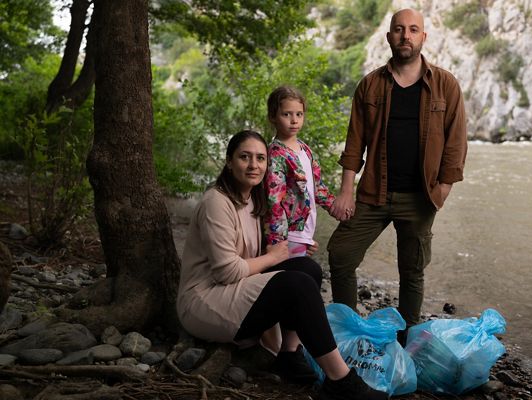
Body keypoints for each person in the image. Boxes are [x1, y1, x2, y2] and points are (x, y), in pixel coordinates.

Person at [177, 130, 388, 400]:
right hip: (205, 299)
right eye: (244, 157)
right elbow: (226, 271)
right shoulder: (216, 203)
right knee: (295, 285)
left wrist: (295, 248)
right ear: (229, 161)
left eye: (260, 158)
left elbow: (265, 246)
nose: (254, 165)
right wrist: (275, 257)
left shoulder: (254, 198)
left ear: (267, 164)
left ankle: (289, 354)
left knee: (307, 269)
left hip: (235, 287)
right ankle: (341, 381)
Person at [328, 9, 468, 339]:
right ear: (389, 36)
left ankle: (405, 342)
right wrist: (346, 190)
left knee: (412, 270)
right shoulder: (370, 85)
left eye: (413, 29)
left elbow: (456, 139)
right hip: (374, 192)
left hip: (420, 197)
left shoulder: (445, 84)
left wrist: (444, 187)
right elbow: (354, 142)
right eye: (399, 29)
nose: (406, 35)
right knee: (341, 254)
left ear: (423, 37)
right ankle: (348, 332)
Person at [264, 86, 335, 258]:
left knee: (299, 274)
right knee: (291, 276)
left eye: (299, 114)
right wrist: (278, 240)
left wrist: (334, 207)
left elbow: (316, 186)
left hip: (304, 232)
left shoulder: (305, 149)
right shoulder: (275, 154)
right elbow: (274, 201)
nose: (294, 120)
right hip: (287, 235)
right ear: (273, 117)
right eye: (286, 114)